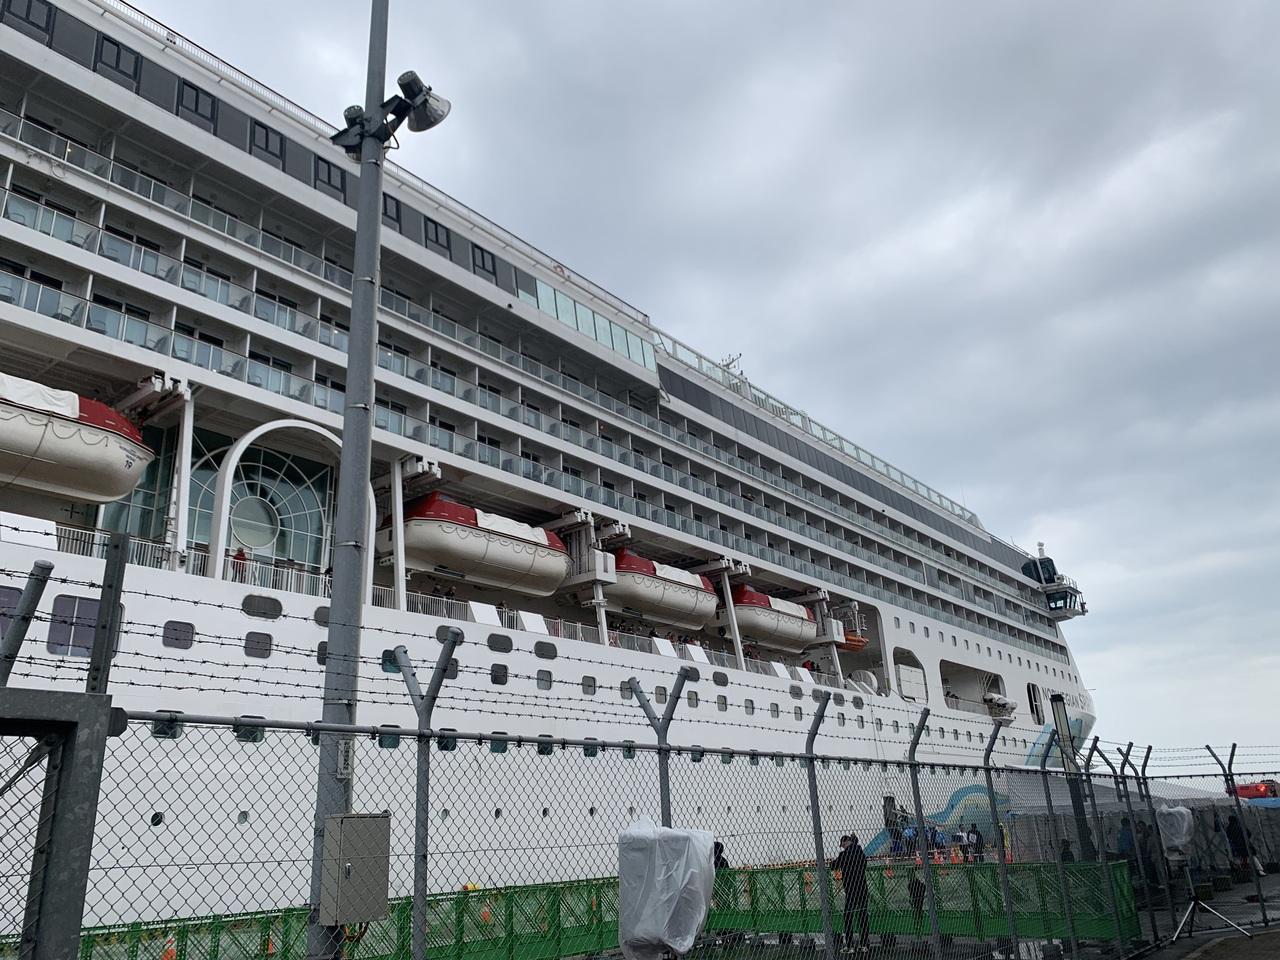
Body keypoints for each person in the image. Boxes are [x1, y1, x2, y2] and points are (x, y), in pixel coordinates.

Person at [830, 834, 870, 954]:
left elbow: (833, 866)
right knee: (863, 915)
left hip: (851, 889)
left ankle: (850, 945)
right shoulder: (860, 853)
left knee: (848, 916)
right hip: (862, 888)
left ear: (845, 842)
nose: (842, 847)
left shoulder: (844, 855)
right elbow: (864, 865)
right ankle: (864, 944)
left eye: (842, 845)